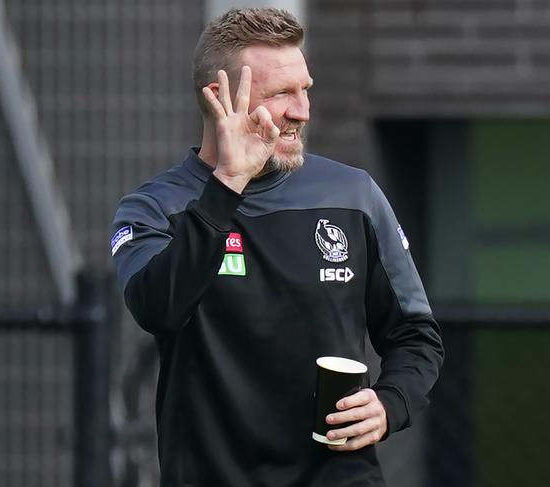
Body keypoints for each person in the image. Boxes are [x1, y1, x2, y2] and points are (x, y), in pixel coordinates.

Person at [111, 7, 444, 487]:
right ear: (219, 99)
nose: (302, 111)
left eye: (304, 90)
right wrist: (227, 184)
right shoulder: (154, 209)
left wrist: (390, 404)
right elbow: (157, 308)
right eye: (281, 94)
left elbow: (415, 335)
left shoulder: (354, 195)